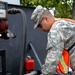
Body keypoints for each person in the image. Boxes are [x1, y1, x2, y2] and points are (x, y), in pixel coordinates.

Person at [31, 5, 75, 75]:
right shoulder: (63, 22)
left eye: (40, 25)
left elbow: (52, 61)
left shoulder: (55, 30)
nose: (41, 29)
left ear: (45, 19)